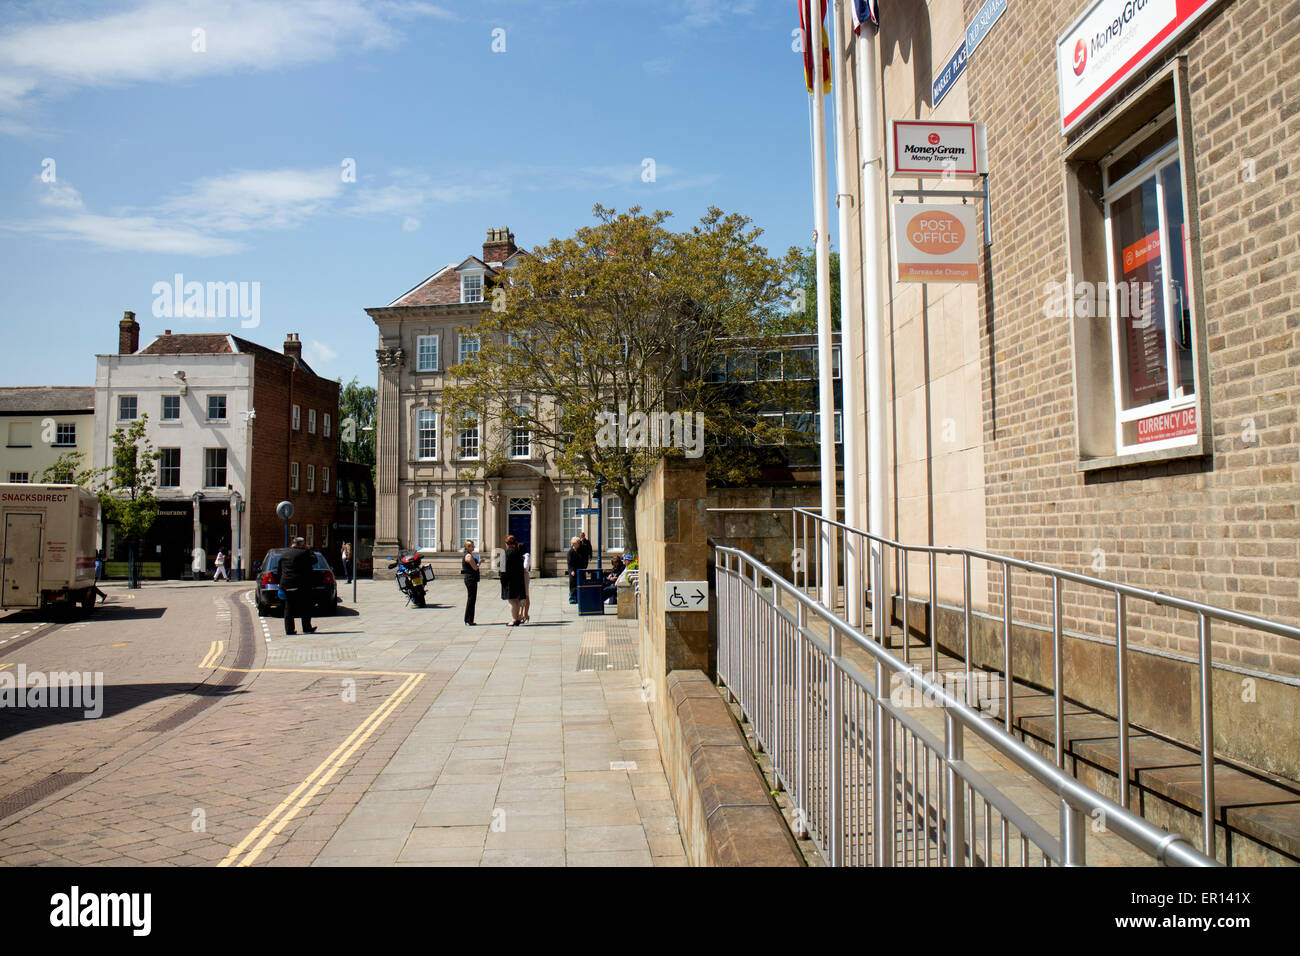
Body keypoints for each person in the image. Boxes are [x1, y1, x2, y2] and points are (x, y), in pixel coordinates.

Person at [280, 537, 317, 636]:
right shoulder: (304, 553)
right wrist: (309, 550)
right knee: (305, 606)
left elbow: (280, 570)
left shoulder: (284, 554)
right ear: (301, 544)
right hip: (301, 584)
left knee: (288, 608)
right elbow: (314, 560)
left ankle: (289, 630)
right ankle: (306, 628)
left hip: (286, 584)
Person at [499, 534, 527, 626]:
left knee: (511, 601)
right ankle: (518, 617)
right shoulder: (518, 553)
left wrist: (502, 580)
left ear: (507, 544)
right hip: (518, 579)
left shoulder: (505, 554)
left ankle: (514, 619)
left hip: (509, 581)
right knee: (517, 601)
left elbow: (502, 570)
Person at [461, 540, 481, 625]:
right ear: (468, 547)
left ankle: (469, 619)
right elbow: (475, 568)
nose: (474, 547)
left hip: (470, 578)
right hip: (470, 578)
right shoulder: (468, 556)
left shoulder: (468, 555)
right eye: (472, 546)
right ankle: (468, 619)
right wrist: (480, 562)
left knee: (471, 599)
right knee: (471, 599)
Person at [566, 536, 583, 604]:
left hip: (580, 569)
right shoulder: (570, 552)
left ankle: (579, 598)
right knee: (573, 584)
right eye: (577, 543)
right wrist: (572, 571)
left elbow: (584, 560)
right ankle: (572, 598)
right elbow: (569, 563)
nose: (579, 544)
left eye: (578, 543)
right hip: (573, 570)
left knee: (580, 584)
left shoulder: (581, 550)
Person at [521, 549, 532, 624]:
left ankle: (525, 614)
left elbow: (525, 568)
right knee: (520, 597)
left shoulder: (526, 556)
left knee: (526, 595)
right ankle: (520, 614)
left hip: (524, 577)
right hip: (519, 577)